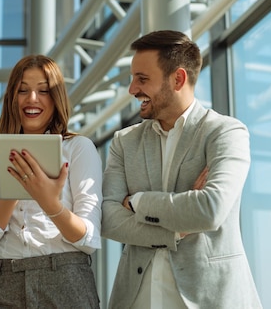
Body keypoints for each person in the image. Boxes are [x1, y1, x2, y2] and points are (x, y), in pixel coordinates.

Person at [102, 30, 262, 309]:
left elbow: (210, 209)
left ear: (177, 79)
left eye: (142, 79)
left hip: (211, 298)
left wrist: (138, 202)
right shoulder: (124, 142)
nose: (132, 89)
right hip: (137, 299)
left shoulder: (225, 133)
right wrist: (176, 231)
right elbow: (107, 217)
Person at [0, 55, 102, 308]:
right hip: (1, 282)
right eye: (23, 91)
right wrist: (14, 190)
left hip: (64, 280)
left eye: (43, 91)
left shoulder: (78, 149)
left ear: (56, 99)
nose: (32, 99)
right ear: (13, 98)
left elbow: (89, 240)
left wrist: (49, 202)